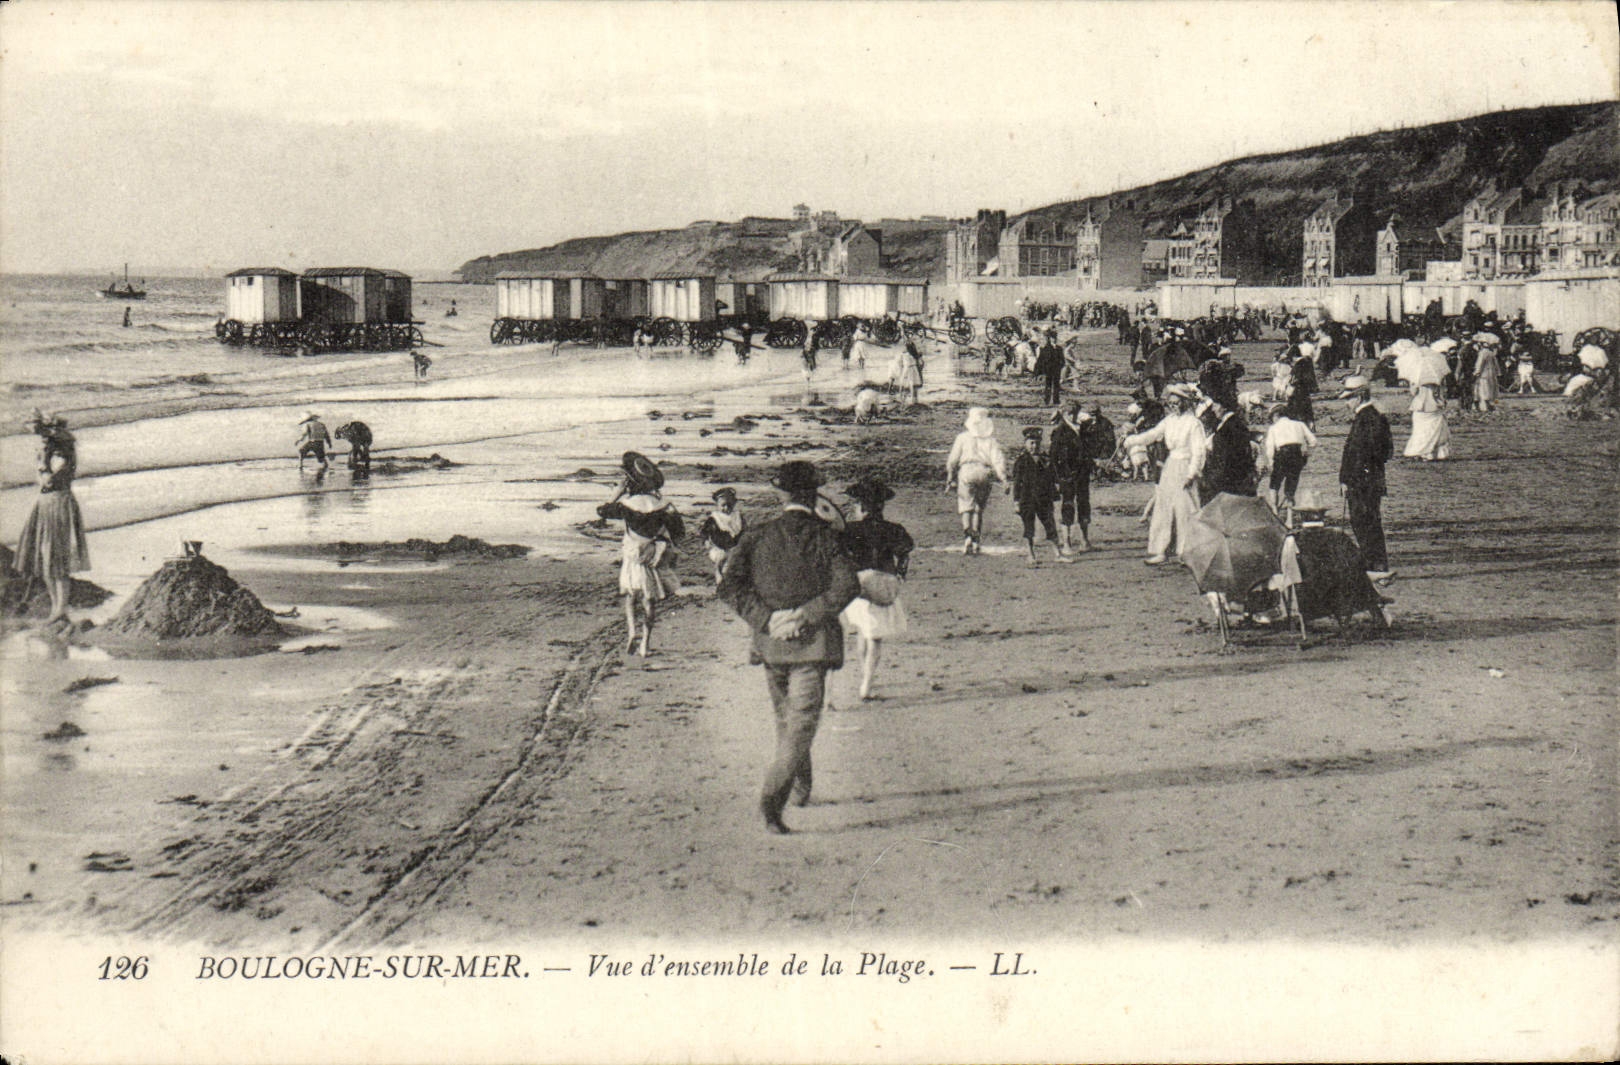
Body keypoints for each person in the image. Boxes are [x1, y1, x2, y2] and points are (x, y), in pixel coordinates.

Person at [717, 461, 860, 834]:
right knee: (801, 724)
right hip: (811, 645)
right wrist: (806, 615)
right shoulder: (828, 537)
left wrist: (766, 619)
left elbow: (729, 587)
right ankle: (772, 799)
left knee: (787, 721)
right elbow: (847, 587)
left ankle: (800, 787)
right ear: (815, 497)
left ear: (780, 496)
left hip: (771, 645)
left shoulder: (757, 536)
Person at [596, 451, 685, 656]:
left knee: (630, 595)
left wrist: (616, 494)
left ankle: (632, 632)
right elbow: (679, 531)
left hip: (633, 556)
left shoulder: (626, 505)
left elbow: (603, 511)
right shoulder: (664, 505)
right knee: (649, 600)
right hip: (653, 555)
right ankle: (645, 643)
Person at [837, 478, 914, 702]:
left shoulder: (849, 530)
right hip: (881, 585)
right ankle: (867, 685)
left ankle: (865, 679)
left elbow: (840, 555)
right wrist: (900, 575)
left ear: (861, 507)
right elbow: (905, 553)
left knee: (862, 631)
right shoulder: (893, 529)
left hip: (858, 587)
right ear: (881, 506)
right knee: (875, 639)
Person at [12, 411, 91, 624]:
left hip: (57, 502)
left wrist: (44, 468)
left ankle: (60, 609)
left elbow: (49, 479)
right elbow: (44, 478)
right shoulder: (51, 447)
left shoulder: (61, 448)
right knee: (47, 558)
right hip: (48, 502)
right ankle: (57, 610)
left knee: (56, 559)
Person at [1123, 385, 1207, 566]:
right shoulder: (1169, 420)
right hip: (1170, 467)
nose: (1173, 406)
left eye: (1176, 403)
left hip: (1185, 467)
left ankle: (1187, 552)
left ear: (1185, 403)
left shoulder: (1193, 423)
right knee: (1163, 508)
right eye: (1170, 404)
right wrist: (1132, 440)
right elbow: (1153, 434)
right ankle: (1159, 550)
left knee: (1186, 510)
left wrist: (1191, 474)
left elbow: (1199, 451)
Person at [1337, 375, 1394, 581]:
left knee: (1365, 522)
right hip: (1366, 480)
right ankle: (1374, 564)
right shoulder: (1371, 416)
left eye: (1349, 398)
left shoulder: (1368, 418)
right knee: (1365, 522)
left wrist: (1349, 479)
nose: (1346, 403)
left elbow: (1364, 453)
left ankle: (1375, 566)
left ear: (1360, 396)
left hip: (1363, 482)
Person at [944, 407, 1008, 555]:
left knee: (966, 507)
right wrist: (1004, 479)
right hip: (984, 472)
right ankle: (976, 541)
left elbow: (953, 460)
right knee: (978, 509)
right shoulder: (991, 440)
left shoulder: (962, 438)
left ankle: (967, 537)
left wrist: (950, 476)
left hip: (966, 472)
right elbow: (998, 460)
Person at [1011, 426, 1066, 566]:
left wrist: (1055, 494)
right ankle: (1030, 555)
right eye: (1031, 443)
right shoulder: (1021, 462)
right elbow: (1017, 483)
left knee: (1050, 525)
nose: (1034, 446)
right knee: (1029, 527)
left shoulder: (1046, 460)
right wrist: (1016, 502)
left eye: (1037, 443)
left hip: (1044, 499)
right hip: (1027, 499)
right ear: (1025, 444)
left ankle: (1058, 554)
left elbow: (1053, 478)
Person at [1047, 400, 1094, 553]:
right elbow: (1053, 457)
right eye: (1070, 413)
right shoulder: (1060, 431)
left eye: (1075, 412)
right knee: (1067, 506)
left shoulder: (1083, 429)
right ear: (1064, 414)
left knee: (1084, 505)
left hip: (1082, 475)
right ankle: (1066, 543)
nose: (1073, 415)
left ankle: (1084, 540)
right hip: (1067, 476)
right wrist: (1058, 478)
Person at [1261, 403, 1318, 519]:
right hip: (1296, 456)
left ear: (1276, 415)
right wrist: (1306, 454)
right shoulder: (1299, 424)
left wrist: (1271, 462)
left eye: (1272, 417)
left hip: (1281, 455)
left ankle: (1275, 513)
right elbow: (1313, 441)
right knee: (1291, 487)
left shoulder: (1273, 428)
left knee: (1274, 485)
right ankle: (1289, 518)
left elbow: (1270, 448)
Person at [1199, 398, 1257, 499]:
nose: (1213, 409)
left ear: (1224, 407)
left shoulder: (1228, 428)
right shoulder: (1235, 423)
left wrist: (1214, 479)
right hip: (1239, 479)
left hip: (1229, 482)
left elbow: (1225, 459)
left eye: (1215, 405)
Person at [699, 487, 746, 585]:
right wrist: (706, 540)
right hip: (720, 546)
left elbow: (744, 530)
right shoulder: (715, 518)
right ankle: (720, 582)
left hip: (735, 546)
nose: (726, 508)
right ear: (717, 505)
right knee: (721, 562)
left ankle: (735, 583)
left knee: (737, 563)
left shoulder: (737, 517)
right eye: (723, 505)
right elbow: (705, 531)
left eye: (729, 505)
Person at [889, 337, 923, 406]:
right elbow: (921, 363)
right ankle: (914, 399)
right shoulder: (915, 355)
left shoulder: (903, 354)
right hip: (913, 369)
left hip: (906, 369)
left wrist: (901, 368)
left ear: (907, 348)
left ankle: (901, 397)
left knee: (904, 383)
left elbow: (899, 363)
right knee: (914, 384)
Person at [1473, 334, 1503, 412]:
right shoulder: (1491, 353)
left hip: (1484, 375)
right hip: (1492, 374)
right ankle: (1495, 405)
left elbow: (1479, 364)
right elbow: (1496, 365)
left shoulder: (1482, 353)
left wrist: (1476, 373)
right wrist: (1498, 373)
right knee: (1493, 391)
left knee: (1484, 391)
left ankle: (1486, 407)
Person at [1033, 335, 1065, 406]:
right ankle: (1047, 400)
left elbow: (1062, 360)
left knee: (1056, 385)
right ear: (1049, 339)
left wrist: (1060, 366)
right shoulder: (1045, 349)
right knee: (1048, 385)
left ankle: (1056, 401)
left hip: (1056, 370)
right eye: (1051, 338)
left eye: (1054, 338)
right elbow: (1041, 360)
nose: (1053, 340)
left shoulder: (1059, 348)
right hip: (1048, 370)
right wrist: (1038, 371)